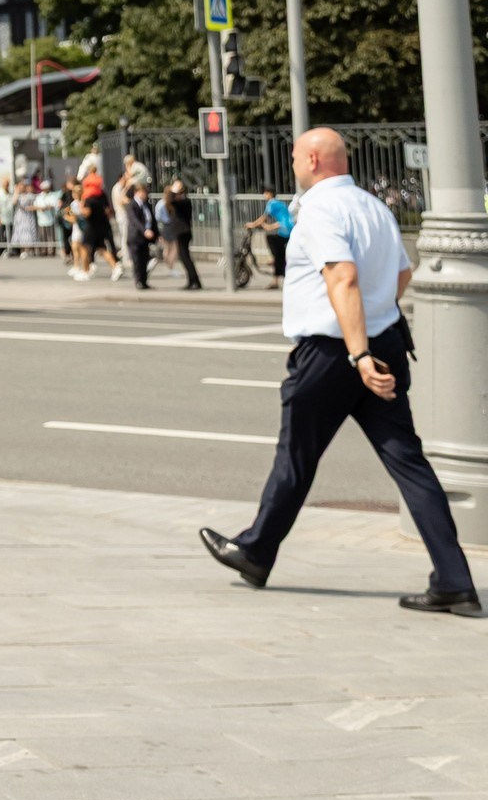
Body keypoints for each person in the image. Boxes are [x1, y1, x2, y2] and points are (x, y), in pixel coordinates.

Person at [201, 127, 477, 614]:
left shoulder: (321, 209)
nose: (291, 164)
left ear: (311, 159)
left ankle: (256, 551)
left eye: (292, 156)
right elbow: (402, 274)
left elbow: (342, 276)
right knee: (408, 462)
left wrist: (357, 352)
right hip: (384, 344)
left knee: (297, 457)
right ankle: (454, 579)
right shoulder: (375, 207)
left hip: (335, 354)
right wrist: (375, 328)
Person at [118, 166, 158, 291]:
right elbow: (134, 221)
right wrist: (144, 230)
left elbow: (151, 219)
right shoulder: (132, 205)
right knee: (137, 260)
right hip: (135, 236)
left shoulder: (147, 205)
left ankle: (144, 281)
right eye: (142, 192)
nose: (144, 195)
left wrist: (156, 233)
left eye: (145, 192)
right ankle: (139, 281)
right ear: (137, 193)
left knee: (144, 259)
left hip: (145, 237)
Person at [161, 178, 203, 291]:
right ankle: (192, 280)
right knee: (184, 257)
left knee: (186, 258)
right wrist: (172, 190)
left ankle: (195, 281)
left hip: (183, 233)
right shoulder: (179, 202)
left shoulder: (184, 201)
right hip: (180, 233)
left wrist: (171, 190)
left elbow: (171, 200)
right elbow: (169, 202)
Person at [247, 192, 294, 283]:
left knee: (273, 243)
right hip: (285, 229)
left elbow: (264, 217)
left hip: (285, 229)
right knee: (279, 252)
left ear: (269, 194)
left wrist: (252, 224)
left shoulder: (272, 203)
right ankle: (276, 274)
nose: (264, 195)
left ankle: (274, 260)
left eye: (265, 193)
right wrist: (269, 226)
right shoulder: (277, 203)